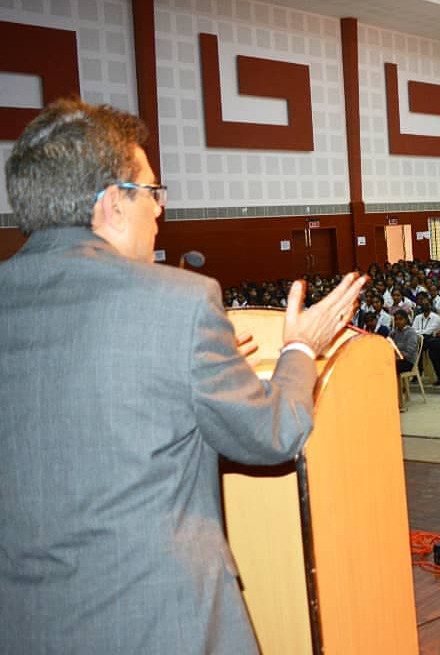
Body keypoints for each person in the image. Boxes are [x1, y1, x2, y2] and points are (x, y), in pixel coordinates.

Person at [0, 98, 366, 653]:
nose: (161, 211)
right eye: (152, 192)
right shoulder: (179, 303)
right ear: (111, 205)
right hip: (161, 623)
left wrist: (196, 373)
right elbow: (271, 436)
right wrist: (298, 347)